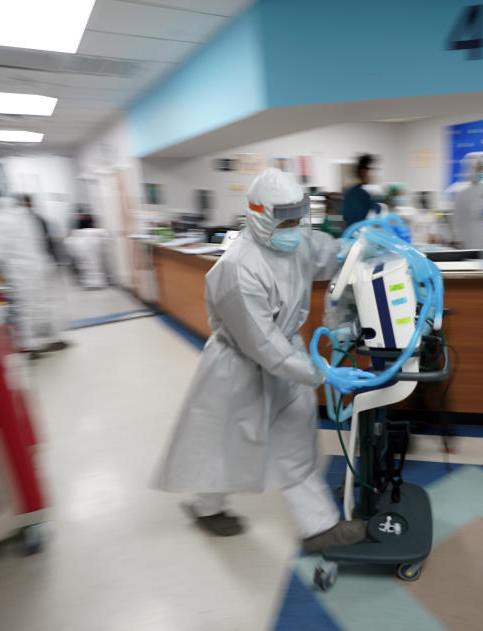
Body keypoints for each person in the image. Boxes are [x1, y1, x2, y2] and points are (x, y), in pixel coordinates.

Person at [153, 168, 371, 552]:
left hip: (284, 357)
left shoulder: (294, 239)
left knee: (290, 439)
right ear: (258, 214)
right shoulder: (238, 269)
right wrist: (321, 373)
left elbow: (326, 255)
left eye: (298, 217)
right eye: (285, 219)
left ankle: (317, 527)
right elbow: (264, 345)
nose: (294, 227)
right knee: (227, 440)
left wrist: (363, 245)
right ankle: (210, 507)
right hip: (240, 365)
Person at [0, 194, 68, 358]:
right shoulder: (25, 215)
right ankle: (51, 338)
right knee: (43, 305)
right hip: (40, 265)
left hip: (21, 271)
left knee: (25, 307)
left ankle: (30, 346)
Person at [450, 152, 483, 251]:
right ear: (470, 169)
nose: (482, 172)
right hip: (467, 239)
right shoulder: (461, 191)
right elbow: (456, 219)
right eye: (479, 169)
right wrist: (458, 239)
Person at [64, 214, 111, 289]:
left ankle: (89, 282)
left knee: (84, 265)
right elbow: (107, 240)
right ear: (91, 223)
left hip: (84, 275)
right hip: (99, 277)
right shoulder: (97, 233)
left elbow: (71, 253)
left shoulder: (72, 238)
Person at [342, 154, 379, 228]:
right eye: (370, 172)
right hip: (359, 234)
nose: (372, 176)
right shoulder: (360, 194)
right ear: (364, 172)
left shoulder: (351, 192)